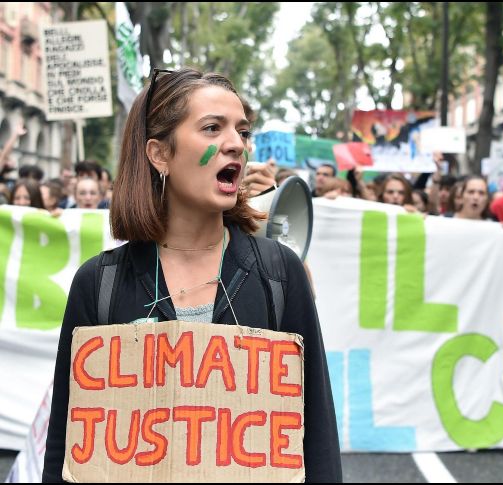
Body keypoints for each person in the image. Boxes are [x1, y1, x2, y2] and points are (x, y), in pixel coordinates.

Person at [42, 68, 341, 483]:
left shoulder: (280, 273)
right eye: (212, 128)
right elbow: (66, 442)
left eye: (242, 130)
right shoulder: (98, 284)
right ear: (159, 154)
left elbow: (318, 439)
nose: (236, 144)